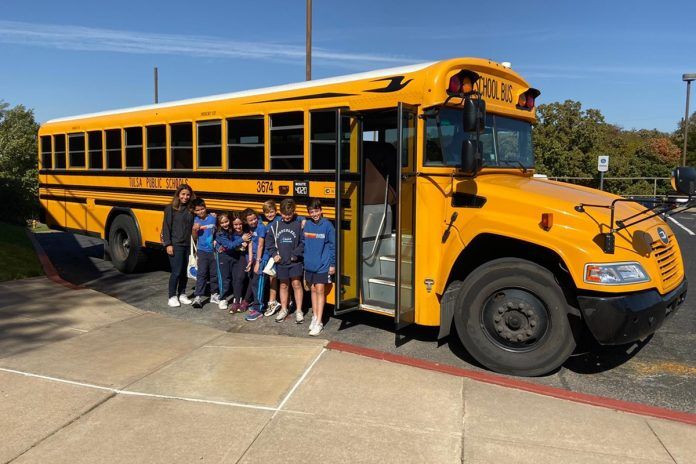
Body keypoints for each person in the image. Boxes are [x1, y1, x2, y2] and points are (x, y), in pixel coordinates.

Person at [262, 200, 306, 318]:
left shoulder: (298, 225)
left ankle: (299, 310)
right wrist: (274, 254)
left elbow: (303, 242)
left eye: (289, 214)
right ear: (280, 213)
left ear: (293, 212)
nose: (287, 216)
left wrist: (296, 254)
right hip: (281, 262)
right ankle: (284, 309)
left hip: (295, 261)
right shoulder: (275, 226)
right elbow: (269, 242)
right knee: (283, 285)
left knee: (296, 284)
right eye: (284, 214)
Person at [303, 199, 336, 336]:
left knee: (320, 290)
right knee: (312, 289)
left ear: (321, 210)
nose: (314, 214)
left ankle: (319, 322)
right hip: (310, 264)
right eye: (311, 212)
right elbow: (304, 243)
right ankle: (315, 316)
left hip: (323, 264)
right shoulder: (307, 225)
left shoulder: (328, 225)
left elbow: (333, 246)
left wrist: (332, 264)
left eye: (316, 211)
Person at [162, 183, 195, 308]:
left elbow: (200, 217)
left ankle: (182, 293)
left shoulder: (191, 209)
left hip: (187, 245)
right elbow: (166, 227)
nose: (185, 197)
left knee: (184, 271)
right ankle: (172, 296)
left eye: (188, 195)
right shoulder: (170, 208)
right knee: (176, 271)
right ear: (178, 195)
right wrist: (168, 244)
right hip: (176, 244)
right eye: (183, 194)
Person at [214, 212, 251, 311]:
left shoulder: (232, 230)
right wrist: (241, 240)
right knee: (225, 279)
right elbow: (230, 245)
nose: (225, 224)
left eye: (226, 222)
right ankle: (223, 298)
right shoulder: (220, 233)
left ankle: (237, 298)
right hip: (223, 257)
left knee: (236, 279)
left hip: (235, 257)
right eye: (222, 223)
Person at [191, 198, 219, 309]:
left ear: (205, 208)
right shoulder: (196, 221)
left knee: (214, 273)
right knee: (201, 274)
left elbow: (218, 229)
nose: (201, 212)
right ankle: (198, 296)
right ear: (194, 211)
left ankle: (214, 294)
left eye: (202, 209)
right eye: (198, 210)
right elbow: (194, 238)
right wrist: (194, 230)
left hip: (213, 250)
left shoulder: (213, 218)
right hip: (202, 251)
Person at [242, 208, 268, 321]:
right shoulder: (250, 228)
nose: (253, 222)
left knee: (259, 283)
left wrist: (257, 262)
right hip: (254, 258)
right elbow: (251, 243)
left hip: (261, 258)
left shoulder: (261, 227)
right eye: (250, 220)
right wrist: (250, 261)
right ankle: (256, 304)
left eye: (254, 219)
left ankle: (259, 309)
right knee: (253, 281)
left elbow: (261, 246)